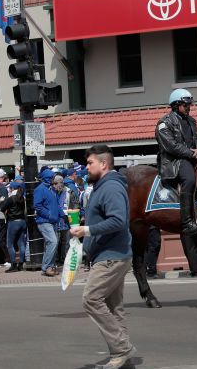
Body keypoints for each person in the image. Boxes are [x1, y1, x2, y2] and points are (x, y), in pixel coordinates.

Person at [70, 144, 136, 369]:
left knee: (91, 299)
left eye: (90, 163)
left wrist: (86, 230)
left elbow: (119, 220)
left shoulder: (110, 187)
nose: (86, 167)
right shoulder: (103, 186)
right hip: (110, 254)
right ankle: (123, 360)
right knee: (114, 307)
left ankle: (122, 349)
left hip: (111, 255)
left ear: (104, 164)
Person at [155, 88, 197, 236]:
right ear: (176, 105)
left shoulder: (191, 121)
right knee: (189, 179)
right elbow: (171, 146)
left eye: (190, 105)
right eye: (186, 105)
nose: (189, 108)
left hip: (191, 157)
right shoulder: (164, 124)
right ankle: (186, 222)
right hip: (174, 162)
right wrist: (193, 153)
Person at [34, 167, 61, 276]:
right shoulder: (40, 189)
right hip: (44, 221)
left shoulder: (51, 189)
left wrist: (62, 215)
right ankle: (47, 267)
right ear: (47, 178)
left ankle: (48, 266)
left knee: (51, 244)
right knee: (53, 242)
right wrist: (49, 215)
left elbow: (55, 205)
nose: (54, 179)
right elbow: (37, 206)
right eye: (52, 177)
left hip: (51, 221)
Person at [2, 179, 27, 272]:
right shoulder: (22, 197)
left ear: (12, 188)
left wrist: (2, 201)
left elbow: (2, 208)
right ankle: (21, 264)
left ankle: (13, 265)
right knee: (21, 243)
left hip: (13, 222)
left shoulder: (11, 198)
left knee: (10, 244)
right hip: (22, 222)